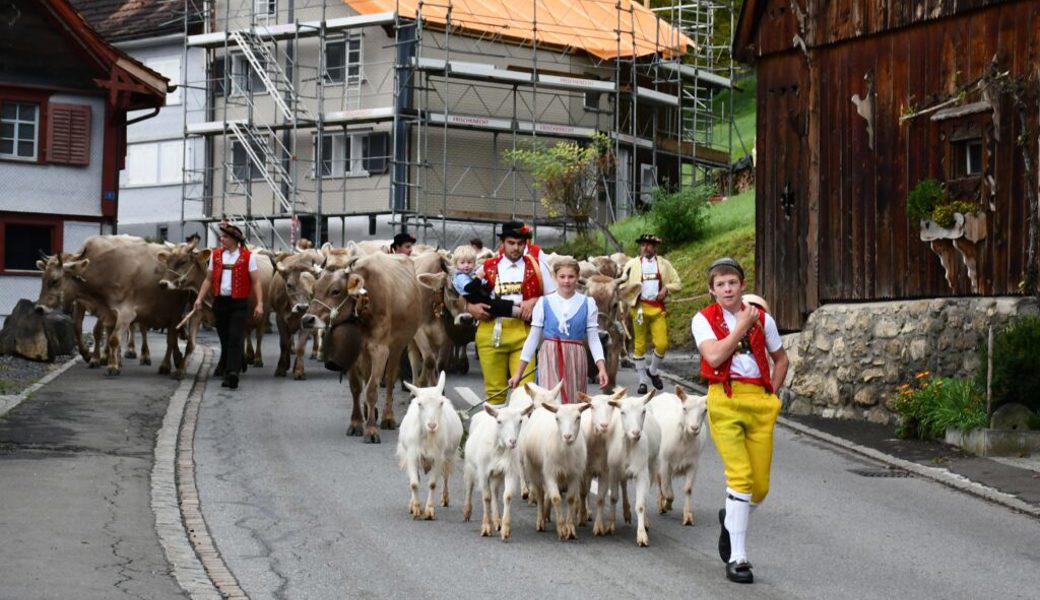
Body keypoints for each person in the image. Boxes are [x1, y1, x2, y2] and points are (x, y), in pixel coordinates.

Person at [691, 257, 788, 585]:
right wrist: (742, 328)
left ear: (742, 285)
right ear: (711, 290)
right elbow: (715, 356)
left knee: (759, 488)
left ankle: (732, 516)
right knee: (741, 478)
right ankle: (738, 558)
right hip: (725, 398)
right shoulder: (702, 320)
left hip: (759, 402)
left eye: (732, 282)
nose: (727, 288)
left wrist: (772, 393)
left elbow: (781, 358)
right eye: (720, 284)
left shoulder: (763, 319)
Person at [465, 220, 555, 404]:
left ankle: (524, 432)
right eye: (511, 243)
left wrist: (534, 301)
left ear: (526, 244)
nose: (516, 248)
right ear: (502, 243)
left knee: (525, 393)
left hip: (524, 332)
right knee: (494, 392)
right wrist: (470, 308)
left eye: (520, 243)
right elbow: (463, 294)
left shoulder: (538, 267)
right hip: (490, 330)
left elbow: (555, 298)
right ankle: (496, 431)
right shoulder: (486, 267)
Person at [508, 258, 608, 402]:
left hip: (576, 356)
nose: (566, 281)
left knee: (573, 404)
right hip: (550, 355)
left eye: (571, 276)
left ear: (578, 278)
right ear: (555, 278)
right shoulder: (544, 302)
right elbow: (533, 339)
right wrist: (519, 373)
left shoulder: (588, 303)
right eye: (562, 276)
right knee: (549, 401)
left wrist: (602, 368)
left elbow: (593, 339)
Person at [193, 223, 264, 390]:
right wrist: (199, 299)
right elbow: (208, 279)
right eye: (221, 236)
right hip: (220, 303)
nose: (221, 239)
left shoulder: (248, 257)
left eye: (224, 237)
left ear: (234, 240)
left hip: (239, 303)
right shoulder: (216, 256)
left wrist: (260, 304)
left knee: (235, 337)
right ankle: (238, 360)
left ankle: (232, 373)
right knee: (224, 338)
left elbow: (256, 281)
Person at [621, 233, 682, 394]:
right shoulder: (632, 264)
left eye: (649, 245)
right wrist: (628, 298)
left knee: (662, 343)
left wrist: (666, 289)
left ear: (655, 247)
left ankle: (653, 371)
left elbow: (677, 283)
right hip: (639, 308)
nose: (645, 247)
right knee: (639, 344)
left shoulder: (664, 264)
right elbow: (621, 285)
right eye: (643, 245)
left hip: (657, 309)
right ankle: (642, 381)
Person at [451, 244, 520, 321]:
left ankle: (515, 304)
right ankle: (517, 312)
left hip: (481, 296)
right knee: (495, 306)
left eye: (469, 262)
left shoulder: (470, 273)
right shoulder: (460, 277)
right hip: (476, 298)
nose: (466, 265)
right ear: (456, 264)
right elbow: (469, 288)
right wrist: (479, 278)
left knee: (497, 302)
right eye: (462, 263)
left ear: (474, 263)